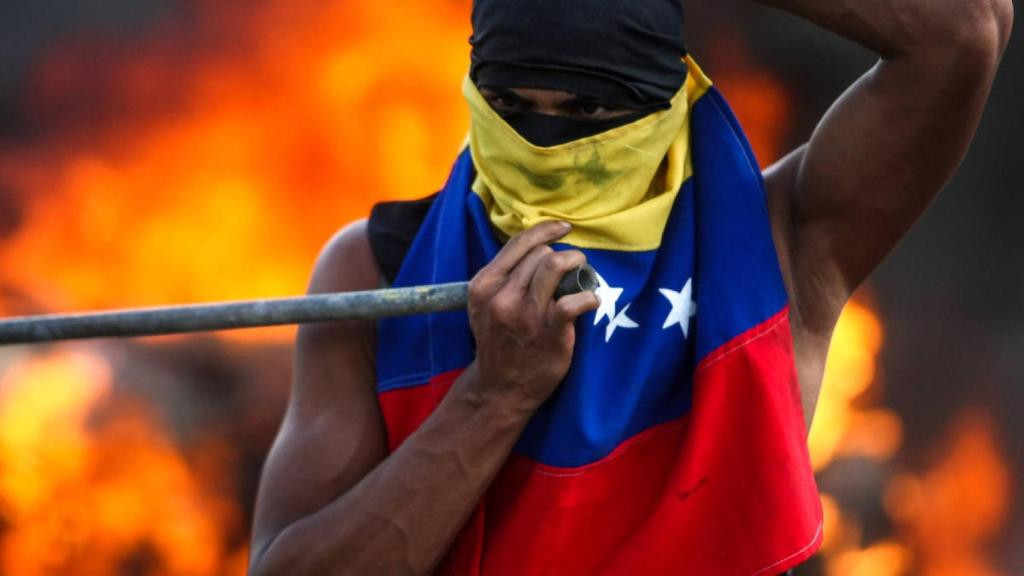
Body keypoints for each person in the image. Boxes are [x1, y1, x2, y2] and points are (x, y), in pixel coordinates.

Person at [248, 0, 1013, 574]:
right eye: (511, 109)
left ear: (664, 109)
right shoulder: (380, 266)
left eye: (588, 112)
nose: (545, 147)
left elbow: (963, 31)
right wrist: (494, 397)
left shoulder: (780, 241)